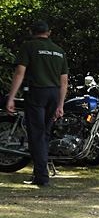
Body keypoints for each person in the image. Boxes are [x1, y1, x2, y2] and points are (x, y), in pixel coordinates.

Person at [5, 20, 68, 187]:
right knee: (45, 134)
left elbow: (20, 72)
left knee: (36, 135)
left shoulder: (29, 46)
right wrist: (60, 105)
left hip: (36, 93)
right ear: (49, 33)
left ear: (31, 32)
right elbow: (64, 82)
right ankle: (39, 173)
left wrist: (11, 97)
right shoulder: (59, 51)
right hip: (53, 94)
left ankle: (42, 178)